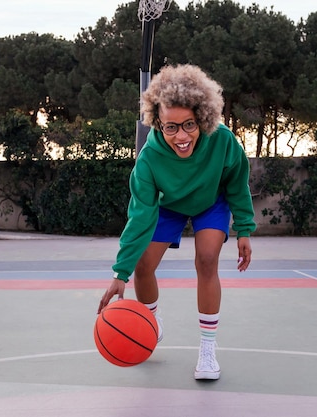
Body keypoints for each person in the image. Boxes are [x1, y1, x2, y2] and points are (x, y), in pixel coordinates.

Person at [98, 64, 256, 380]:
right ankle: (151, 327)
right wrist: (121, 271)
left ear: (204, 118)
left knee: (207, 260)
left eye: (189, 125)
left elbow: (237, 182)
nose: (181, 136)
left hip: (210, 202)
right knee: (144, 265)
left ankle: (208, 351)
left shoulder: (223, 141)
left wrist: (244, 228)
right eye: (171, 127)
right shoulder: (150, 158)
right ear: (157, 123)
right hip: (168, 207)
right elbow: (140, 214)